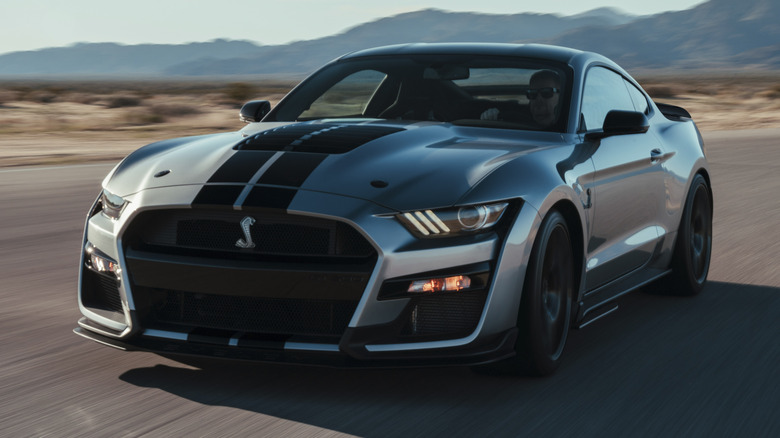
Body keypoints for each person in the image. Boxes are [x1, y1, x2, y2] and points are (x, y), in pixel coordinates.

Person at [481, 69, 562, 129]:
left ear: (561, 96)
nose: (538, 102)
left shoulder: (571, 124)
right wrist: (490, 117)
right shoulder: (516, 124)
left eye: (546, 93)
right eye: (532, 94)